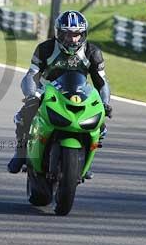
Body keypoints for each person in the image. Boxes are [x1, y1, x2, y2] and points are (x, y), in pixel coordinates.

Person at [7, 10, 112, 175]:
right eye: (68, 34)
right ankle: (20, 153)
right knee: (23, 116)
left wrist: (105, 103)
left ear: (84, 34)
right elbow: (31, 75)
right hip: (46, 90)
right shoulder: (46, 48)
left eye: (77, 34)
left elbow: (102, 82)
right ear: (59, 33)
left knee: (101, 126)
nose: (73, 39)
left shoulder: (93, 52)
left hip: (78, 93)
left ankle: (83, 160)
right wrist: (31, 96)